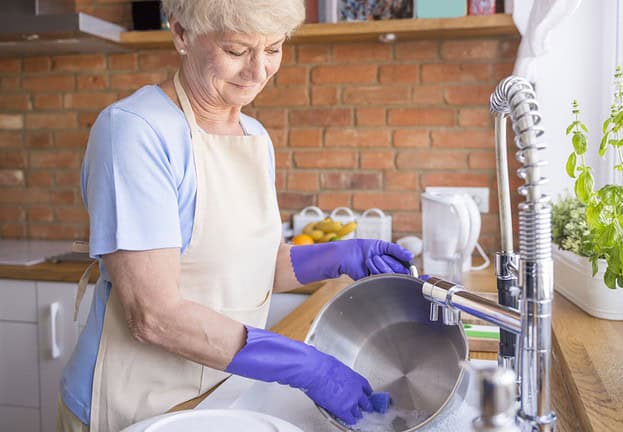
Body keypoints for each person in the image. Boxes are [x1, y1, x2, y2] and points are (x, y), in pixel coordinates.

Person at [56, 1, 414, 430]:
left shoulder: (254, 137)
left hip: (220, 397)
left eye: (274, 48)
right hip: (134, 409)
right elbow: (153, 316)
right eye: (237, 50)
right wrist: (303, 365)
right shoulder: (135, 131)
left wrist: (341, 256)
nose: (258, 71)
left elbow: (248, 269)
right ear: (182, 34)